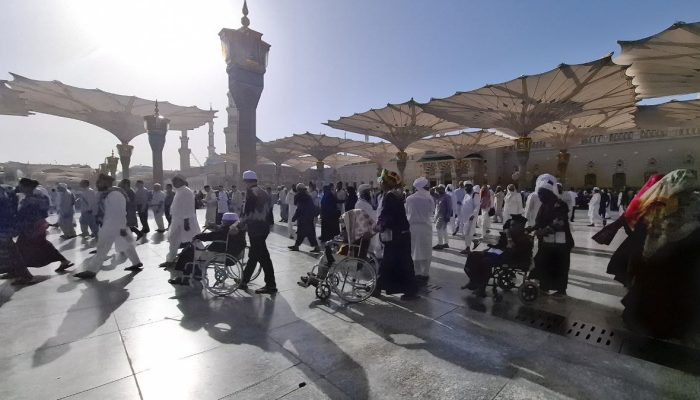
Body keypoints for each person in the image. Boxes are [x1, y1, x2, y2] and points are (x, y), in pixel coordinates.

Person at [74, 174, 142, 279]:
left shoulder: (115, 195)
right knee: (127, 245)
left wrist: (119, 228)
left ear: (106, 183)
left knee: (102, 248)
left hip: (114, 226)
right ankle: (137, 262)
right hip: (115, 225)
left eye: (99, 182)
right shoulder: (107, 194)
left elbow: (119, 213)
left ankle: (91, 271)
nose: (97, 184)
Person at [10, 178, 74, 283]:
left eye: (21, 185)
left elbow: (29, 216)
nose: (19, 187)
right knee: (41, 245)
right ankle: (64, 261)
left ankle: (21, 274)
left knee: (19, 249)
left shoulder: (32, 200)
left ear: (27, 187)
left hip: (32, 228)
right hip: (35, 227)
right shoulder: (34, 198)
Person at [374, 169, 419, 300]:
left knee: (389, 262)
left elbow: (388, 214)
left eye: (381, 182)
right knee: (401, 262)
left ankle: (379, 287)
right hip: (402, 235)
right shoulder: (396, 194)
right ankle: (408, 290)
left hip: (397, 236)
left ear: (386, 183)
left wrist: (380, 225)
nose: (380, 184)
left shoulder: (390, 196)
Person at [168, 212, 247, 286]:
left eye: (223, 221)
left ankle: (185, 278)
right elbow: (220, 231)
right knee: (193, 252)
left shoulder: (227, 230)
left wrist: (197, 236)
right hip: (234, 253)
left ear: (226, 222)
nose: (221, 222)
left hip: (223, 254)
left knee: (189, 253)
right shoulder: (237, 229)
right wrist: (215, 226)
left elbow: (212, 236)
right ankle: (196, 274)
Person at [527, 174, 574, 297]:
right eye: (540, 194)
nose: (540, 197)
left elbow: (559, 222)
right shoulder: (544, 205)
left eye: (542, 195)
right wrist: (532, 228)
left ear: (549, 194)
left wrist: (544, 231)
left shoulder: (561, 205)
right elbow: (539, 222)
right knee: (543, 263)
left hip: (561, 244)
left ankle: (561, 290)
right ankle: (544, 286)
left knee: (560, 266)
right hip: (547, 243)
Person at [463, 214, 532, 297]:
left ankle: (482, 288)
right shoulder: (513, 233)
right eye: (511, 225)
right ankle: (473, 280)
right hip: (501, 254)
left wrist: (508, 238)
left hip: (511, 259)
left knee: (485, 261)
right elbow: (506, 228)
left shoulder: (523, 238)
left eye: (513, 225)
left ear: (521, 226)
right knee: (472, 256)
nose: (511, 227)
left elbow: (511, 251)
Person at [237, 170, 276, 294]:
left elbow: (247, 213)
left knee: (263, 257)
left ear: (246, 181)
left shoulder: (250, 193)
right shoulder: (264, 192)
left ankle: (271, 285)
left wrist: (239, 225)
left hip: (256, 229)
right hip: (263, 229)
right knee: (255, 255)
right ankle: (244, 281)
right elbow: (270, 211)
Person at [160, 175, 200, 268]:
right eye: (173, 182)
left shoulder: (186, 191)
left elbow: (188, 207)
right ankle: (170, 260)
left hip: (185, 221)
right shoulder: (180, 191)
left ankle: (199, 256)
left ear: (181, 181)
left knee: (194, 239)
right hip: (177, 221)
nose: (173, 184)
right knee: (174, 240)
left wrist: (186, 221)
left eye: (175, 182)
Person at [406, 177, 434, 284]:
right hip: (425, 227)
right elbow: (431, 211)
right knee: (426, 250)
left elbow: (407, 212)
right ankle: (425, 273)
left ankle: (417, 273)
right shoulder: (429, 198)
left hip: (413, 228)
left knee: (415, 250)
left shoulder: (409, 199)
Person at [288, 183, 320, 252]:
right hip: (309, 217)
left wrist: (295, 217)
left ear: (298, 189)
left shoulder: (299, 196)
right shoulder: (307, 195)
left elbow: (300, 208)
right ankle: (316, 247)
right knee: (309, 233)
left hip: (303, 218)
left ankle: (297, 246)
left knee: (302, 233)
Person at [459, 182, 477, 254]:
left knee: (467, 233)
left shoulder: (475, 195)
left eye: (467, 186)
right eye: (465, 187)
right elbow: (465, 204)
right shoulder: (466, 195)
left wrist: (473, 215)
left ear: (471, 187)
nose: (465, 188)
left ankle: (467, 248)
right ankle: (474, 241)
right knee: (466, 232)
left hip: (471, 217)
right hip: (465, 217)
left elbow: (477, 206)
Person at [433, 185, 452, 250]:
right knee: (444, 229)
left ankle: (440, 244)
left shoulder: (447, 197)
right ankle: (446, 243)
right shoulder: (439, 197)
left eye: (439, 190)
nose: (437, 191)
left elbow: (449, 208)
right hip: (439, 215)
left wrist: (448, 216)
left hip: (443, 215)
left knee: (438, 228)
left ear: (442, 190)